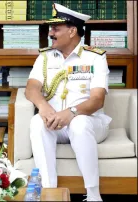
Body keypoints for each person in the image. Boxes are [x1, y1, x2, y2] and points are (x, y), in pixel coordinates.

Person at [25, 3, 112, 201]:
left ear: (72, 31)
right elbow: (31, 88)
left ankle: (93, 194)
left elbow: (97, 100)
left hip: (89, 122)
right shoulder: (45, 57)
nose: (50, 33)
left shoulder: (95, 57)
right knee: (37, 121)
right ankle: (49, 192)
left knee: (79, 123)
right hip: (55, 123)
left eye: (55, 28)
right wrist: (44, 107)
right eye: (50, 28)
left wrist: (71, 112)